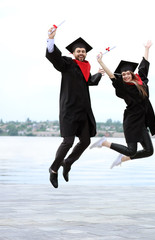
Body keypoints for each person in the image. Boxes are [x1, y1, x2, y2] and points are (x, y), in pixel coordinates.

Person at [46, 27, 104, 188]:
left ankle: (67, 163)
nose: (81, 53)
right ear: (73, 52)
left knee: (85, 141)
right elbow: (55, 58)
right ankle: (53, 168)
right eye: (78, 51)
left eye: (83, 51)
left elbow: (89, 81)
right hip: (69, 111)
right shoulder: (68, 64)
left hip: (83, 112)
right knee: (68, 141)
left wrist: (99, 73)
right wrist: (51, 39)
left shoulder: (86, 67)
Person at [91, 41, 155, 168]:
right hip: (132, 121)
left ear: (132, 73)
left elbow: (144, 66)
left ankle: (123, 159)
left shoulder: (141, 81)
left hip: (142, 121)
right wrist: (101, 62)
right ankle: (104, 143)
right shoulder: (124, 87)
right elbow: (112, 76)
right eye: (124, 74)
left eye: (128, 73)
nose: (126, 76)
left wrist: (147, 49)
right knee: (131, 150)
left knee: (149, 151)